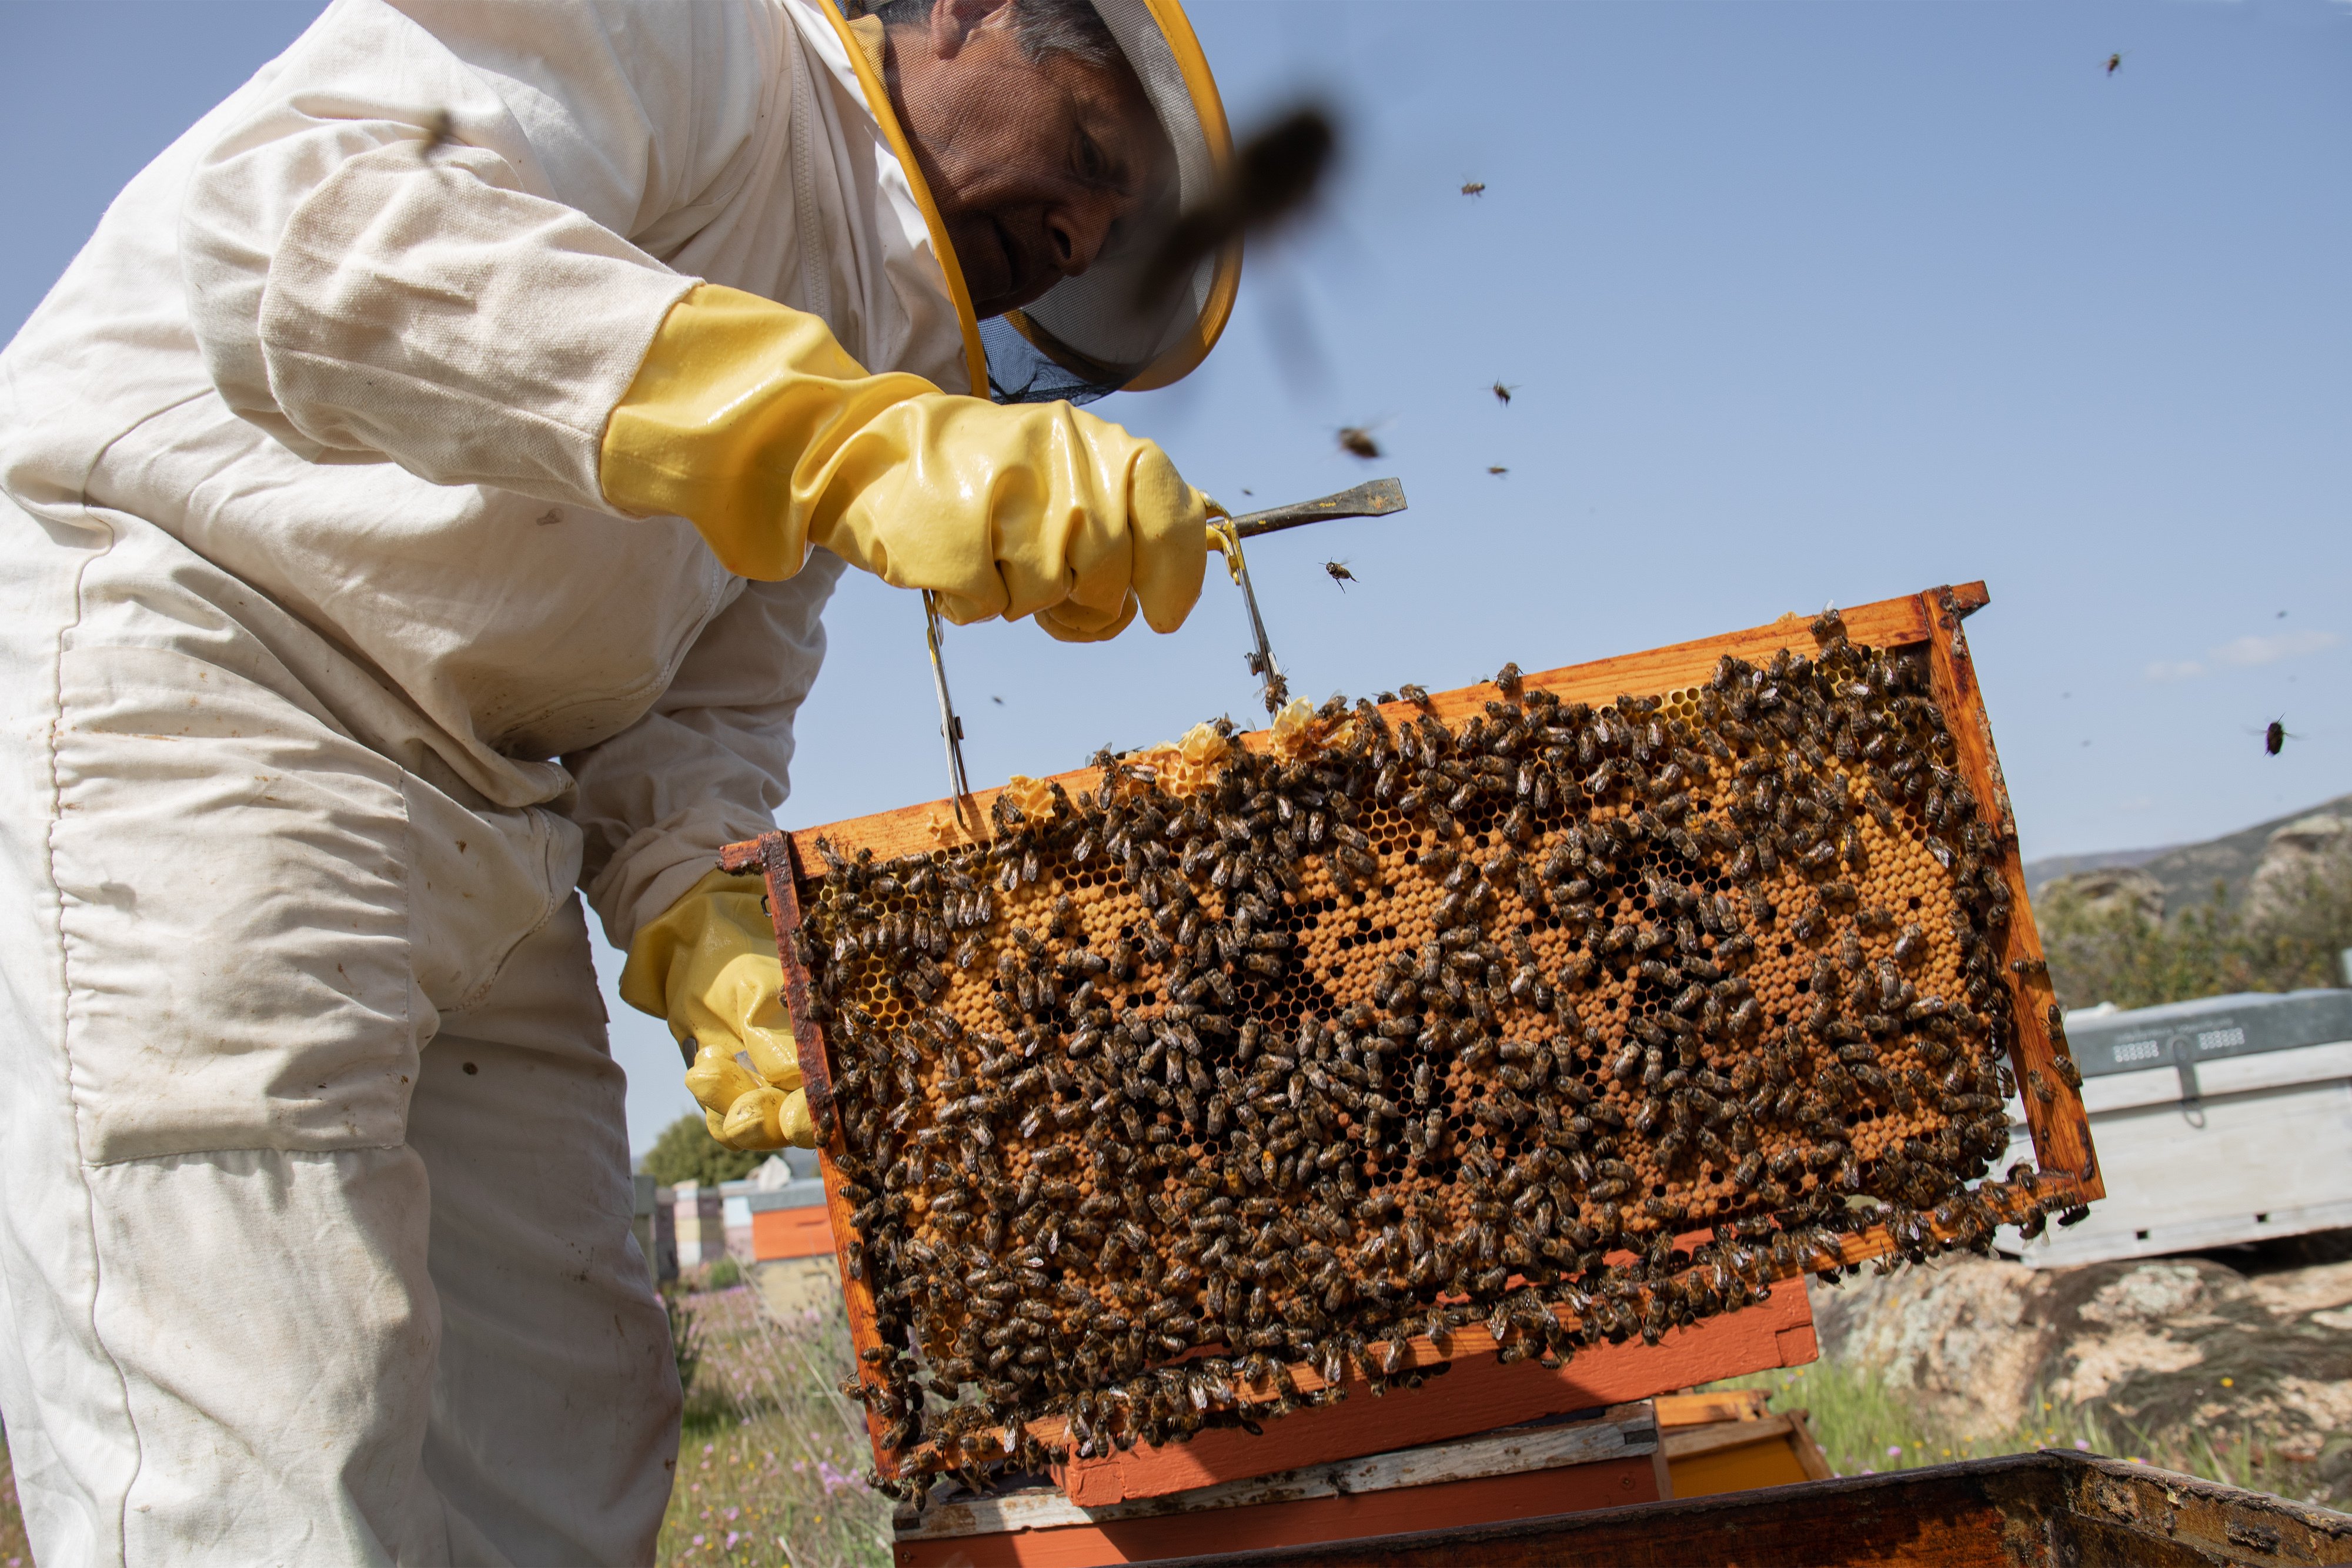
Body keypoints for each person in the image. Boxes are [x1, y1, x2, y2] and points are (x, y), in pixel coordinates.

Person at [0, 0, 1238, 1560]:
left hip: (485, 810)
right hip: (205, 686)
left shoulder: (883, 358)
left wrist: (711, 923)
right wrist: (823, 438)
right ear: (962, 12)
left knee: (563, 1439)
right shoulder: (698, 36)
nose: (1076, 230)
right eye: (1090, 152)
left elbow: (695, 722)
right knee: (270, 1444)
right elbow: (299, 233)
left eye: (1106, 232)